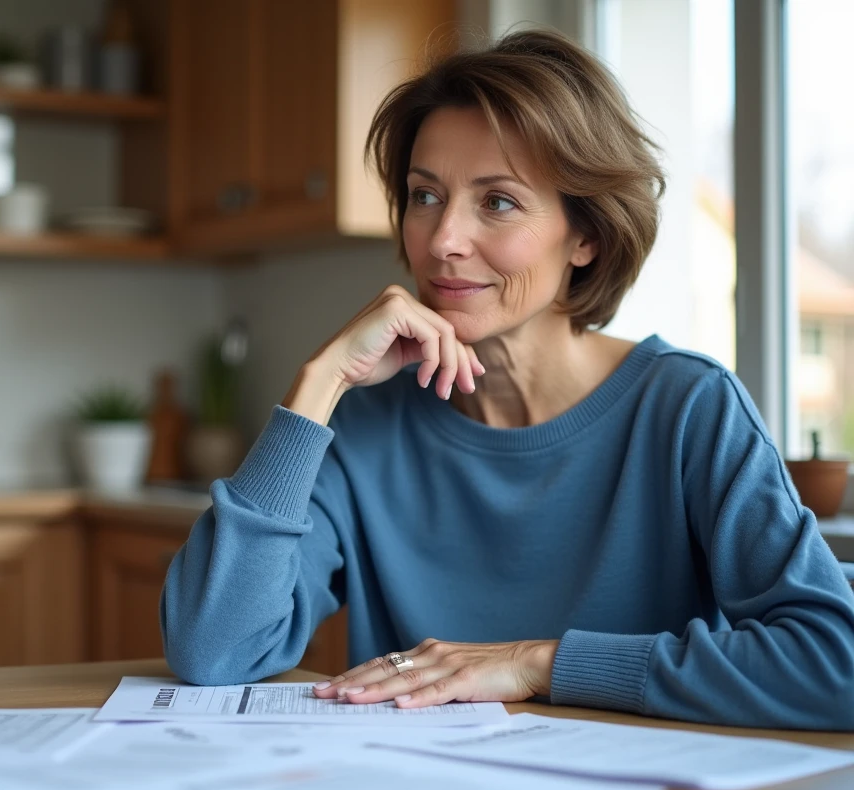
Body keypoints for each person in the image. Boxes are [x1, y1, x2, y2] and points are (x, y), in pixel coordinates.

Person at [160, 28, 854, 730]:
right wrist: (318, 385)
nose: (442, 240)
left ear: (587, 236)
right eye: (424, 196)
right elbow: (211, 652)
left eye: (497, 202)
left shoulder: (688, 409)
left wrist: (534, 663)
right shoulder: (363, 424)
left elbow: (835, 662)